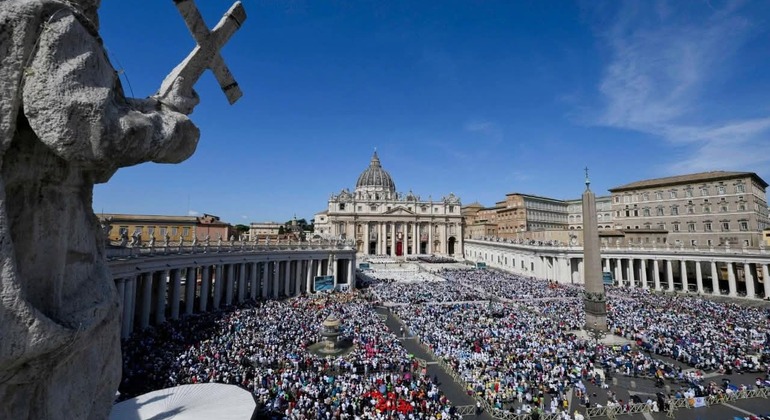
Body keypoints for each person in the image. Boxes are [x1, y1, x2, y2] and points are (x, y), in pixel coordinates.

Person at [0, 1, 200, 418]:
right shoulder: (56, 17)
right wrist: (171, 128)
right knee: (68, 368)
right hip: (46, 231)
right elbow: (85, 128)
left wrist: (156, 105)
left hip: (26, 219)